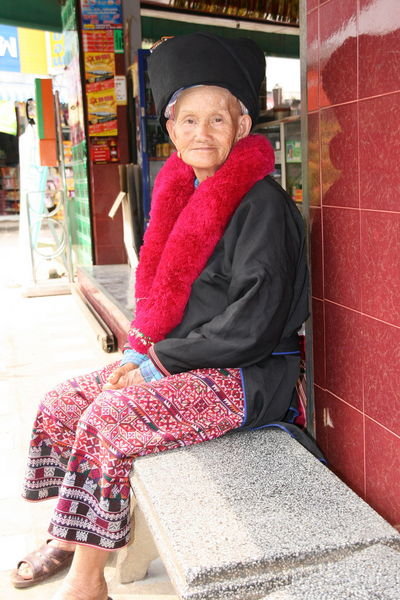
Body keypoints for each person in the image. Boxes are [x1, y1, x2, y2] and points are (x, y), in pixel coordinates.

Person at [11, 32, 309, 600]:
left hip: (247, 376)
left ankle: (87, 579)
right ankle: (72, 534)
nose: (202, 133)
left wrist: (158, 364)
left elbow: (254, 323)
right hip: (181, 361)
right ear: (170, 131)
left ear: (242, 129)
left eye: (217, 120)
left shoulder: (262, 205)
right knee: (62, 401)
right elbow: (165, 301)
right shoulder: (183, 194)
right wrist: (142, 355)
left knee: (108, 418)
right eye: (188, 120)